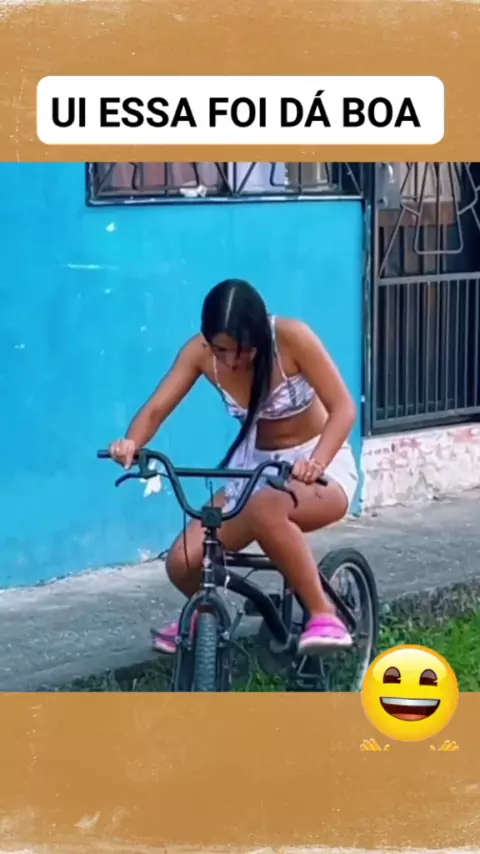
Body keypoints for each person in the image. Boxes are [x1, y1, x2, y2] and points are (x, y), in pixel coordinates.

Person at [108, 279, 359, 654]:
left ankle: (325, 614)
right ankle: (207, 616)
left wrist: (317, 462)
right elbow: (157, 409)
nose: (231, 362)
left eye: (243, 351)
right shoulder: (198, 353)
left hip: (317, 463)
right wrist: (132, 442)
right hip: (253, 470)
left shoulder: (292, 338)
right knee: (184, 561)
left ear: (259, 336)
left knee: (266, 508)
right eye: (221, 350)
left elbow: (344, 409)